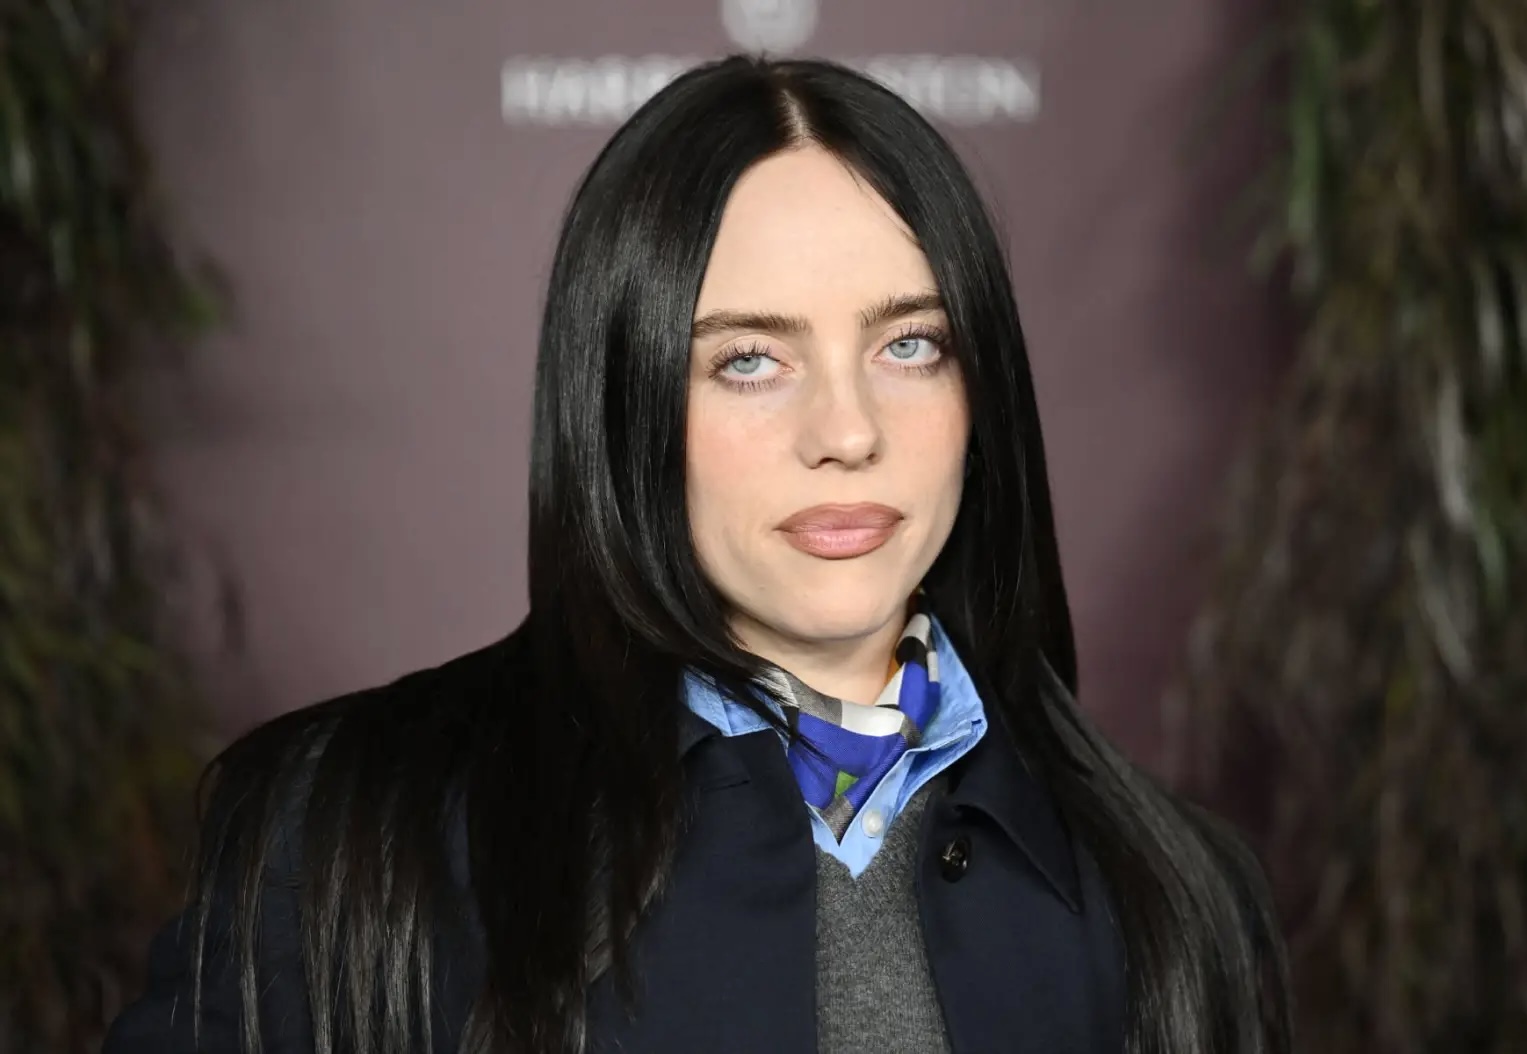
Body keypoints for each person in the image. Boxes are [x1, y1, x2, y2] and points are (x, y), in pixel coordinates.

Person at [104, 55, 1289, 1054]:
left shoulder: (1179, 902)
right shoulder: (351, 839)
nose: (847, 432)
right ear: (624, 406)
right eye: (749, 361)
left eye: (910, 345)